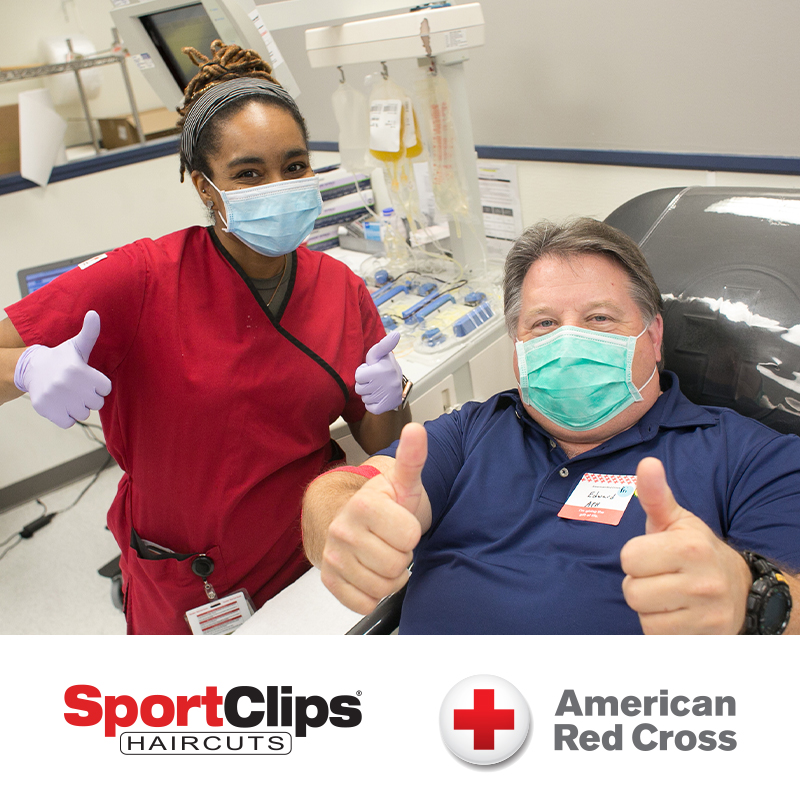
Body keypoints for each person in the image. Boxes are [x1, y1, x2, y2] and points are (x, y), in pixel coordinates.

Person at [0, 41, 410, 634]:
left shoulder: (339, 287)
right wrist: (28, 368)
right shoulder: (140, 278)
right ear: (203, 186)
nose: (279, 185)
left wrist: (390, 401)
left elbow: (381, 441)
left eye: (295, 167)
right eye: (249, 173)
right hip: (193, 578)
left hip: (307, 558)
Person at [301, 217, 800, 635]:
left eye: (600, 318)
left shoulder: (750, 456)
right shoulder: (473, 432)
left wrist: (750, 597)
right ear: (516, 347)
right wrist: (341, 522)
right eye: (543, 324)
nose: (569, 342)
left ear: (655, 335)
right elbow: (348, 490)